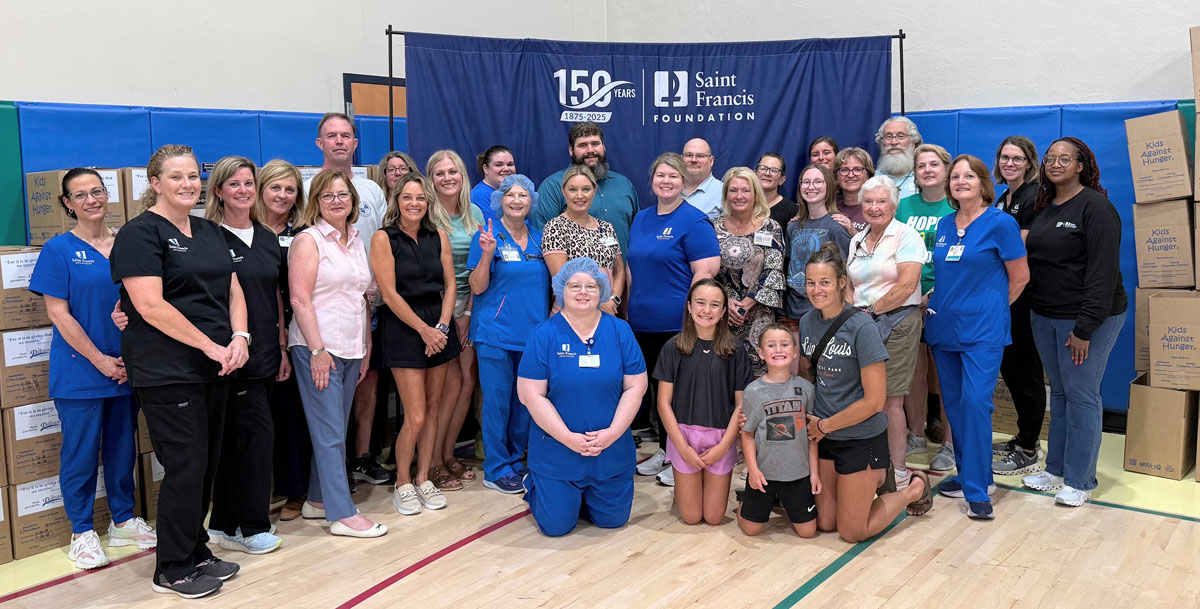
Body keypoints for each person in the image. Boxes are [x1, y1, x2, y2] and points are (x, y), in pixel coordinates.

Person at [110, 144, 249, 598]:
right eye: (176, 177)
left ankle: (196, 548)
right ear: (155, 183)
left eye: (193, 176)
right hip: (167, 369)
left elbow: (233, 289)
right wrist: (212, 346)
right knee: (186, 464)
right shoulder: (140, 234)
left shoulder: (210, 230)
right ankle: (171, 567)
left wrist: (240, 339)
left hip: (215, 365)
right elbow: (149, 305)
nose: (188, 184)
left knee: (206, 464)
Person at [30, 168, 155, 571]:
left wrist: (124, 360)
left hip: (128, 367)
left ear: (107, 195)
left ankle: (122, 520)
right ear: (67, 204)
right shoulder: (59, 249)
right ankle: (82, 532)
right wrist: (99, 360)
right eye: (80, 195)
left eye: (96, 191)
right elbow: (58, 313)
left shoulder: (126, 242)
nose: (91, 200)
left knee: (122, 449)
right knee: (81, 454)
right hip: (81, 372)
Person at [801, 242, 931, 543]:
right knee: (825, 523)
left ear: (841, 283)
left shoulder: (861, 327)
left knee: (852, 531)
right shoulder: (808, 322)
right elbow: (807, 375)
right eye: (810, 283)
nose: (816, 290)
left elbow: (875, 402)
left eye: (824, 282)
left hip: (859, 437)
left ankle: (913, 488)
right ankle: (868, 486)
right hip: (824, 438)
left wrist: (824, 425)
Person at [1020, 137, 1126, 507]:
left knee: (1081, 395)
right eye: (1050, 158)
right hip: (1045, 314)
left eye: (1065, 159)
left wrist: (1084, 329)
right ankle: (1056, 469)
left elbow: (1103, 274)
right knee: (1061, 393)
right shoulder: (1045, 206)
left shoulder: (1096, 209)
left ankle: (1080, 480)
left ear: (1081, 166)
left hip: (1086, 319)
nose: (1056, 163)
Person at [925, 155, 1029, 520]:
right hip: (943, 328)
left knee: (975, 403)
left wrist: (994, 309)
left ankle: (977, 491)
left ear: (984, 182)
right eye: (955, 177)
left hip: (983, 332)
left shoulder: (1002, 223)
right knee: (955, 408)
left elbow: (1020, 276)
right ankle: (973, 476)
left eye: (969, 175)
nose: (960, 181)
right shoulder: (943, 224)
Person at [516, 257, 648, 536]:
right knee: (556, 527)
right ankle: (540, 484)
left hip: (609, 452)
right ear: (560, 290)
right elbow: (531, 395)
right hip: (559, 453)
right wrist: (568, 438)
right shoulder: (543, 334)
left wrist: (612, 433)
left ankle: (583, 496)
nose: (583, 292)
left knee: (612, 521)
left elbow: (636, 387)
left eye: (591, 285)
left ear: (602, 290)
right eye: (574, 285)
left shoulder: (620, 331)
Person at [288, 169, 386, 538]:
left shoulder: (358, 239)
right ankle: (343, 513)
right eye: (327, 196)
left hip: (351, 347)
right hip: (318, 349)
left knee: (334, 430)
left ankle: (317, 500)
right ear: (316, 202)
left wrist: (365, 348)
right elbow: (299, 299)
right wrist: (317, 350)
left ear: (353, 201)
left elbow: (362, 297)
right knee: (329, 433)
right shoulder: (308, 241)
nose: (336, 201)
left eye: (342, 195)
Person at [302, 113, 391, 494]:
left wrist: (379, 289)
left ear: (356, 143)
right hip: (322, 312)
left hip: (366, 304)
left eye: (346, 136)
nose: (339, 142)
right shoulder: (310, 187)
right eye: (331, 136)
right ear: (319, 143)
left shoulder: (371, 190)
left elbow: (383, 239)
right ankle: (329, 477)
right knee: (327, 399)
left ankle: (362, 457)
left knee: (366, 382)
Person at [204, 156, 285, 554]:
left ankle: (222, 523)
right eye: (233, 184)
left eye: (248, 183)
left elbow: (275, 297)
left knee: (247, 440)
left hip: (267, 355)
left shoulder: (267, 237)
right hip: (229, 357)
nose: (242, 191)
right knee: (250, 440)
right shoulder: (207, 237)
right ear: (217, 190)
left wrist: (283, 348)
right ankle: (252, 527)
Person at [627, 153, 720, 487]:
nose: (666, 182)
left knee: (678, 394)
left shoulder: (694, 221)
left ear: (685, 182)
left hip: (676, 325)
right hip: (640, 323)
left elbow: (706, 272)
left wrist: (692, 317)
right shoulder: (641, 219)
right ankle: (666, 450)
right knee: (654, 393)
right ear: (652, 180)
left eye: (673, 176)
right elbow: (630, 269)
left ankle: (681, 456)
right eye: (660, 175)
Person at [371, 173, 462, 514]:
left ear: (428, 202)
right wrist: (424, 331)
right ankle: (403, 482)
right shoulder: (384, 238)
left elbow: (451, 284)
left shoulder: (438, 235)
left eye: (420, 198)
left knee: (435, 407)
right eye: (407, 197)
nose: (414, 203)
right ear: (396, 201)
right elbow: (389, 293)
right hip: (406, 328)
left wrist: (440, 326)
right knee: (417, 415)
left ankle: (424, 477)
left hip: (439, 326)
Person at [468, 174, 551, 494]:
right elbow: (477, 287)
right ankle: (496, 467)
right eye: (510, 195)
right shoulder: (488, 235)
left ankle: (516, 461)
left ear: (532, 201)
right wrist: (488, 252)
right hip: (495, 334)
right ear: (499, 200)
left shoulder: (540, 237)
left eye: (523, 195)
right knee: (498, 403)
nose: (517, 200)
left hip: (532, 335)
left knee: (526, 403)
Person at [846, 175, 927, 490]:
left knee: (890, 400)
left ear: (894, 205)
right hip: (863, 323)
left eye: (881, 201)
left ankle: (900, 473)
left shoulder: (907, 236)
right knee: (866, 397)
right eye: (868, 201)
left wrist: (870, 313)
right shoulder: (857, 238)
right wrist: (856, 316)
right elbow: (852, 286)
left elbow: (907, 285)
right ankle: (871, 464)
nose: (874, 207)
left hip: (897, 322)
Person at [654, 279, 752, 525]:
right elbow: (663, 403)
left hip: (721, 436)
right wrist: (682, 447)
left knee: (713, 517)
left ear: (722, 312)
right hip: (683, 436)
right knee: (691, 517)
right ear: (689, 306)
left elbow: (741, 405)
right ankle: (683, 491)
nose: (706, 310)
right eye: (700, 303)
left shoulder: (735, 350)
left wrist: (723, 447)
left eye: (714, 305)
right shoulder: (672, 348)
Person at [254, 160, 311, 521]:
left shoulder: (305, 232)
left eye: (290, 189)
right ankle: (259, 491)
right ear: (261, 190)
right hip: (252, 332)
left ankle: (295, 490)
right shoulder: (242, 231)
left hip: (294, 333)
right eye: (276, 188)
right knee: (257, 418)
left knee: (292, 416)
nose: (283, 195)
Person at [894, 143, 956, 472]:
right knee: (913, 369)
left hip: (945, 299)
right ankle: (916, 433)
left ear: (946, 170)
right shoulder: (903, 207)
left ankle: (948, 441)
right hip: (908, 299)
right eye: (921, 166)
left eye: (934, 164)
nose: (928, 170)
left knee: (945, 373)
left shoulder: (957, 207)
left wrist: (934, 293)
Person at [426, 150, 485, 491]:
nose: (448, 178)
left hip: (470, 304)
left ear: (463, 176)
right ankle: (431, 460)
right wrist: (453, 315)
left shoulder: (473, 212)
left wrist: (468, 311)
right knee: (445, 387)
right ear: (431, 178)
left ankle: (447, 453)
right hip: (439, 308)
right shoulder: (426, 213)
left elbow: (480, 264)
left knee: (465, 382)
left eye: (453, 172)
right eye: (440, 173)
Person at [990, 135, 1047, 475]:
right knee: (1011, 370)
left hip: (1022, 298)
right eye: (1005, 158)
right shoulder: (1004, 197)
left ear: (1029, 162)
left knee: (1026, 373)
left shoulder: (1032, 197)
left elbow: (1016, 247)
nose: (1010, 163)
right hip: (1004, 297)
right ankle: (1024, 436)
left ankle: (1028, 449)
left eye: (1017, 158)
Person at [737, 324, 819, 538]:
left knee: (808, 532)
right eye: (771, 345)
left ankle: (784, 502)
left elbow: (812, 437)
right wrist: (753, 471)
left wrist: (814, 474)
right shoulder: (753, 391)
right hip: (764, 474)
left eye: (784, 345)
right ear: (762, 353)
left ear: (794, 352)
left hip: (798, 474)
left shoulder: (806, 389)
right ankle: (744, 506)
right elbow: (747, 435)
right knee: (751, 530)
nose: (778, 350)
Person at [713, 167, 785, 375]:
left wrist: (745, 306)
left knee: (758, 378)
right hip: (720, 314)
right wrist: (725, 303)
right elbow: (706, 273)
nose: (739, 196)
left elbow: (773, 270)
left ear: (755, 194)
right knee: (721, 376)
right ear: (726, 194)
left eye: (745, 190)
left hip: (758, 317)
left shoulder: (771, 227)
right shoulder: (711, 227)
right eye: (733, 190)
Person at [534, 122, 639, 257]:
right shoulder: (553, 187)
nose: (590, 150)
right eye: (583, 145)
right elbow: (543, 240)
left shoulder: (624, 184)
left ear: (604, 147)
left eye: (595, 144)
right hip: (575, 276)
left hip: (622, 274)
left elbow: (638, 235)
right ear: (571, 150)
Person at [541, 165, 625, 314]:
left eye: (586, 189)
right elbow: (563, 280)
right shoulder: (555, 227)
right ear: (563, 192)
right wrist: (599, 303)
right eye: (573, 189)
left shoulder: (607, 227)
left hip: (606, 314)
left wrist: (613, 300)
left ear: (594, 191)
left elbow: (619, 271)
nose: (579, 195)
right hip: (571, 316)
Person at [782, 165, 851, 342]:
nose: (811, 187)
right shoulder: (793, 227)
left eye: (818, 181)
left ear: (828, 187)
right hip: (792, 313)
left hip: (823, 313)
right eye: (806, 182)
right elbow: (789, 265)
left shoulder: (836, 227)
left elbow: (846, 275)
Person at [874, 117, 922, 200]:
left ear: (913, 142)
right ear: (881, 143)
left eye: (900, 136)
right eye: (888, 137)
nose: (894, 142)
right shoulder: (871, 178)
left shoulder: (924, 177)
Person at [832, 147, 875, 235]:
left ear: (869, 174)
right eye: (844, 170)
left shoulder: (876, 209)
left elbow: (882, 246)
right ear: (836, 176)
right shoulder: (829, 208)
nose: (851, 175)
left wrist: (853, 232)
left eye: (857, 169)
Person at [469, 145, 517, 221]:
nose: (506, 169)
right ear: (486, 168)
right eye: (499, 165)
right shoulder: (480, 195)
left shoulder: (515, 190)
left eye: (510, 164)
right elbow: (496, 229)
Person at [681, 138, 723, 219]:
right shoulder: (671, 190)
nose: (693, 160)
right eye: (689, 155)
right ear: (681, 159)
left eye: (700, 156)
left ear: (711, 161)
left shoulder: (723, 193)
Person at [756, 152, 799, 230]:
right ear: (755, 174)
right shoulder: (743, 204)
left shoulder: (792, 211)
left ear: (782, 180)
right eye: (763, 168)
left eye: (774, 170)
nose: (767, 173)